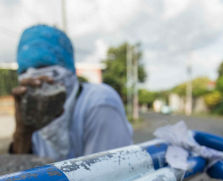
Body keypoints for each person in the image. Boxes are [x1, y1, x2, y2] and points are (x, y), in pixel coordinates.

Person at [10, 25, 133, 159]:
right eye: (23, 71)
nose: (33, 76)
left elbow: (105, 175)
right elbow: (20, 172)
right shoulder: (35, 115)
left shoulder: (99, 102)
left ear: (67, 66)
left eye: (42, 66)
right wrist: (23, 132)